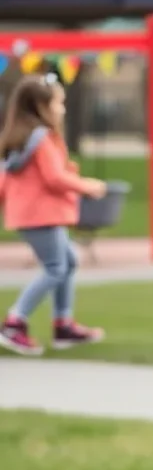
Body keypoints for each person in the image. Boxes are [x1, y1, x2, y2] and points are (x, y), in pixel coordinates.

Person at [0, 74, 107, 356]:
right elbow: (53, 178)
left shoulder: (22, 139)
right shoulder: (42, 138)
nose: (62, 109)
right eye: (58, 103)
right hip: (40, 215)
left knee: (67, 261)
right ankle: (14, 322)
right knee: (56, 267)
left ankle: (64, 324)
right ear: (41, 106)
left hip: (34, 214)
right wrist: (87, 186)